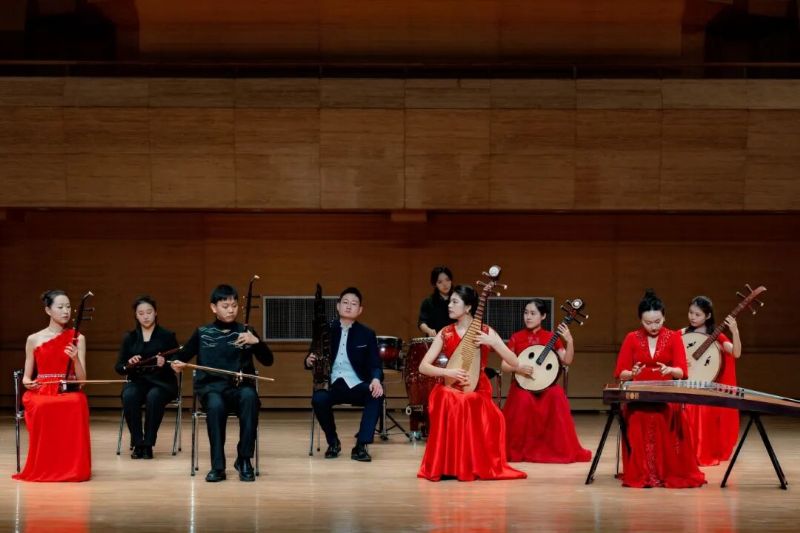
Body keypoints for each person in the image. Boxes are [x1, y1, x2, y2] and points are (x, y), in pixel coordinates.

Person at [417, 285, 527, 481]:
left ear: (468, 307)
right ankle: (448, 466)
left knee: (469, 402)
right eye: (450, 301)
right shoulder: (445, 332)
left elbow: (514, 362)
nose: (449, 305)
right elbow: (423, 367)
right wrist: (448, 372)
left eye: (455, 302)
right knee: (448, 397)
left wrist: (493, 342)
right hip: (451, 385)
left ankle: (470, 465)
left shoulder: (485, 331)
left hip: (478, 387)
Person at [172, 284, 274, 482]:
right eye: (225, 306)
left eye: (234, 306)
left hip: (240, 388)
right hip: (211, 389)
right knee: (216, 405)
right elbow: (180, 357)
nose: (230, 310)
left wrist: (256, 342)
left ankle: (244, 459)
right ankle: (217, 466)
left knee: (250, 397)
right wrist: (176, 363)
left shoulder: (246, 332)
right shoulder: (202, 333)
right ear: (214, 307)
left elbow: (268, 361)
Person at [614, 289, 706, 488]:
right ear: (640, 320)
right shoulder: (631, 338)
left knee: (662, 416)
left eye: (657, 321)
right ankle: (644, 471)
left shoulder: (673, 337)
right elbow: (621, 373)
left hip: (666, 397)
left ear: (664, 317)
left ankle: (662, 471)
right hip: (638, 398)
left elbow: (681, 372)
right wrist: (631, 373)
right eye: (648, 322)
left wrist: (670, 369)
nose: (653, 326)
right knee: (638, 418)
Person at [500, 299, 592, 463]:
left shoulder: (551, 337)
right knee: (522, 399)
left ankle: (555, 448)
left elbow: (567, 360)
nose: (528, 317)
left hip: (546, 386)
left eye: (533, 313)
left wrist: (570, 341)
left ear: (543, 316)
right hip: (523, 386)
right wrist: (518, 368)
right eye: (526, 313)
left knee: (557, 394)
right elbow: (504, 365)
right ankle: (518, 448)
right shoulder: (516, 337)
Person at [13, 290, 91, 482]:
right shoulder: (34, 339)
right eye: (60, 307)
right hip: (41, 391)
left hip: (67, 390)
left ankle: (72, 468)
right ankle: (45, 466)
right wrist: (28, 383)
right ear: (48, 310)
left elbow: (82, 380)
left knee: (77, 402)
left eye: (68, 307)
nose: (66, 311)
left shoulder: (78, 338)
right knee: (42, 406)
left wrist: (75, 359)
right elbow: (26, 377)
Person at [305, 287, 383, 462]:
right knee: (319, 399)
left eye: (354, 304)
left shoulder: (367, 334)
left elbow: (375, 364)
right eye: (345, 302)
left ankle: (361, 445)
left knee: (377, 394)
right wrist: (309, 360)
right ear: (338, 306)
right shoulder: (325, 329)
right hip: (332, 384)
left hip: (357, 384)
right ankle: (333, 442)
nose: (349, 306)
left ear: (360, 310)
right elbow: (311, 355)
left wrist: (376, 379)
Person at [115, 295, 180, 459]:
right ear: (136, 316)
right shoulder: (130, 338)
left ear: (156, 313)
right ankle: (138, 443)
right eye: (141, 313)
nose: (145, 316)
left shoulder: (167, 336)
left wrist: (165, 362)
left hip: (162, 383)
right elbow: (119, 367)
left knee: (154, 396)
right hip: (138, 381)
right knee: (129, 395)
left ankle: (148, 444)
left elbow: (177, 363)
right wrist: (129, 363)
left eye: (149, 312)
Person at [682, 296, 742, 466]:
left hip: (705, 389)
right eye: (691, 313)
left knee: (702, 410)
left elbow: (736, 353)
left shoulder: (716, 336)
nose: (692, 317)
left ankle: (701, 453)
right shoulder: (683, 334)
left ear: (708, 316)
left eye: (697, 314)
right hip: (686, 385)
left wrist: (735, 331)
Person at [417, 266, 455, 336]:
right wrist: (428, 330)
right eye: (440, 282)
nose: (445, 284)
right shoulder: (428, 302)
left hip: (455, 338)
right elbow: (422, 322)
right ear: (435, 284)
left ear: (451, 280)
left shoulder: (458, 300)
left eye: (447, 280)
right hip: (435, 339)